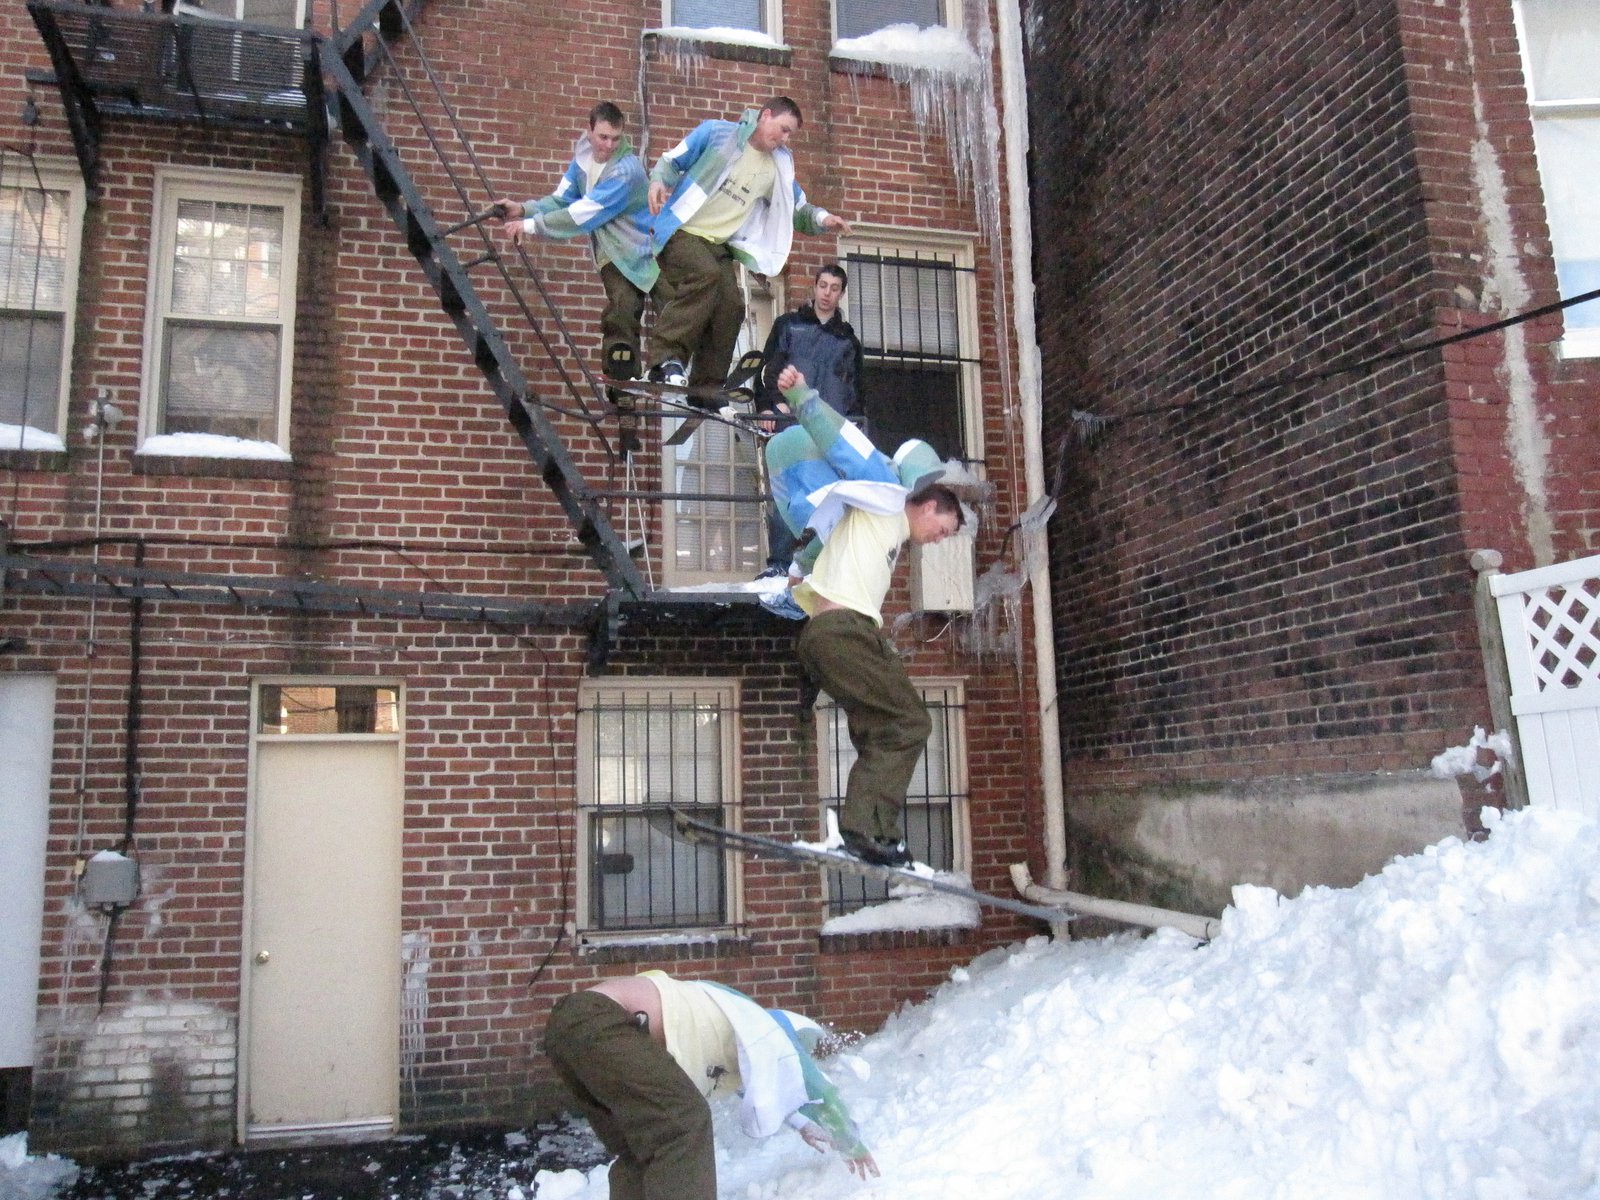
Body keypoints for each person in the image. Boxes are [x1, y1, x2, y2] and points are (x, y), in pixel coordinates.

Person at [765, 364, 980, 868]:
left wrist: (800, 571)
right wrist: (802, 397)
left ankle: (876, 835)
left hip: (830, 636)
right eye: (944, 529)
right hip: (844, 633)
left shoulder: (866, 520)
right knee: (911, 723)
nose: (939, 540)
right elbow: (846, 445)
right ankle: (864, 829)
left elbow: (818, 545)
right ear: (927, 505)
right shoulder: (884, 495)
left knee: (880, 730)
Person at [543, 971, 878, 1200]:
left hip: (570, 1028)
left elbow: (769, 1092)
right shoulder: (769, 1030)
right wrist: (853, 1144)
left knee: (644, 1146)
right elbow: (820, 1091)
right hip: (601, 1018)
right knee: (683, 1122)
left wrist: (802, 1123)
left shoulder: (734, 1033)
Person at [645, 97, 852, 402]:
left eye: (789, 135)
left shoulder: (777, 168)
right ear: (764, 116)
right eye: (782, 129)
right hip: (681, 232)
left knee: (731, 306)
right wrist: (658, 181)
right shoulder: (717, 134)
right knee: (706, 276)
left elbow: (797, 208)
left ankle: (705, 387)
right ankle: (664, 360)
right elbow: (673, 159)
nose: (784, 139)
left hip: (719, 245)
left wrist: (824, 218)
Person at [494, 102, 658, 382]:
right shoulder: (582, 161)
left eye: (616, 139)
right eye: (603, 137)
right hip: (614, 252)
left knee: (673, 304)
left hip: (648, 248)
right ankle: (622, 379)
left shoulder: (625, 171)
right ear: (590, 130)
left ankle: (670, 366)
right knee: (622, 305)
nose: (609, 145)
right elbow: (561, 200)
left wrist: (531, 226)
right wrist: (523, 209)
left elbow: (582, 214)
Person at [756, 264, 865, 577]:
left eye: (834, 288)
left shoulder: (848, 341)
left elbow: (858, 391)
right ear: (814, 288)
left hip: (830, 429)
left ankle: (823, 568)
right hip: (790, 424)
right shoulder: (788, 326)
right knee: (785, 496)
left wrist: (855, 425)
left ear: (841, 294)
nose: (827, 293)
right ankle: (778, 565)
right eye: (823, 286)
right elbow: (767, 370)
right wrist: (766, 406)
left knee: (832, 497)